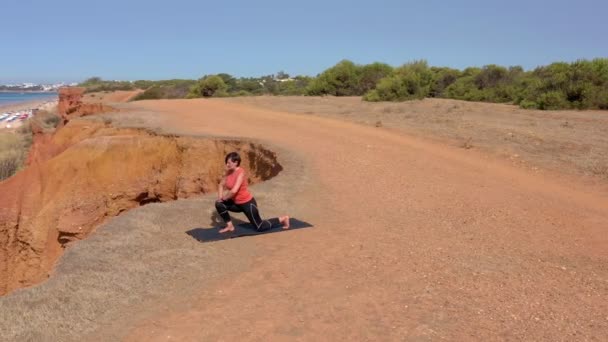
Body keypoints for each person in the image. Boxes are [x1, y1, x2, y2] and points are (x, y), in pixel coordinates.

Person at [215, 152, 289, 233]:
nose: (227, 164)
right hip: (236, 204)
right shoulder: (228, 172)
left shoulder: (241, 173)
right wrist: (220, 198)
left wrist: (224, 198)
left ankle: (283, 219)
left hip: (247, 203)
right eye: (226, 162)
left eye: (229, 162)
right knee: (219, 204)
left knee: (260, 227)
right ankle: (230, 226)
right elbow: (221, 185)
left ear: (236, 162)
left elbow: (234, 191)